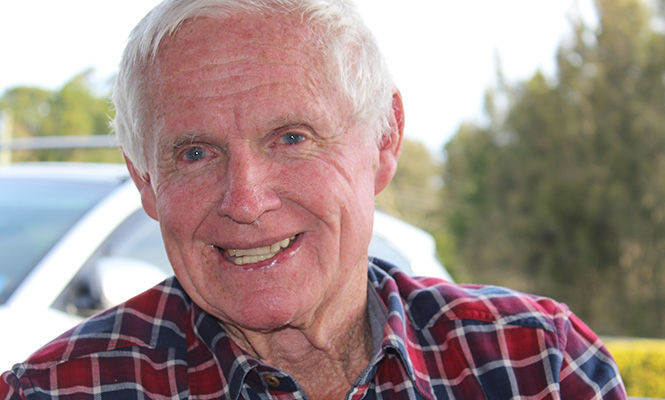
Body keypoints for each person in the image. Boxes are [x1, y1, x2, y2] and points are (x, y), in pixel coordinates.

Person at [1, 0, 627, 398]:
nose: (245, 200)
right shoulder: (58, 391)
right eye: (195, 153)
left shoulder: (537, 368)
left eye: (291, 138)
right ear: (144, 181)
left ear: (384, 139)